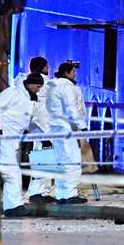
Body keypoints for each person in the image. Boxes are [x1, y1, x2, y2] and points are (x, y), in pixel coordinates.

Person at [0, 72, 44, 217]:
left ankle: (13, 206)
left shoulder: (29, 98)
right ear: (31, 84)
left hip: (13, 139)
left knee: (12, 171)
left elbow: (31, 120)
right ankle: (13, 207)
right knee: (11, 172)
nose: (39, 90)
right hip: (4, 136)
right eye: (38, 87)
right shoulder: (12, 93)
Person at [45, 61, 88, 204]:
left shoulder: (52, 86)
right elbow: (71, 108)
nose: (75, 75)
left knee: (62, 162)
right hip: (66, 129)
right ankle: (69, 194)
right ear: (66, 73)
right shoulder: (67, 87)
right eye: (73, 72)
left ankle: (62, 194)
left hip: (55, 128)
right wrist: (82, 126)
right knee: (72, 161)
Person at [20, 56, 57, 204]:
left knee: (38, 157)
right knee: (45, 158)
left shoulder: (25, 81)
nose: (49, 68)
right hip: (44, 126)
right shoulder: (46, 82)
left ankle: (37, 191)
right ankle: (40, 192)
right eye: (47, 66)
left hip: (35, 125)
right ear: (42, 67)